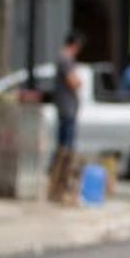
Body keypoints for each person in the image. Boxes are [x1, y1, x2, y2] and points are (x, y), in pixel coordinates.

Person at [46, 31, 85, 204]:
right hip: (67, 109)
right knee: (65, 149)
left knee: (65, 147)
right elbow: (74, 82)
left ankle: (58, 184)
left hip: (67, 109)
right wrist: (78, 80)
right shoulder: (65, 59)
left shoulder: (64, 59)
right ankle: (58, 184)